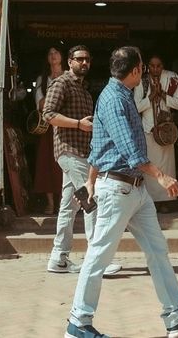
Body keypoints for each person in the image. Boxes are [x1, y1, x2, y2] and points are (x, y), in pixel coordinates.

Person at [65, 45, 178, 338]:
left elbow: (98, 146)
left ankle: (175, 316)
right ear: (134, 71)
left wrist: (91, 181)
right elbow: (129, 149)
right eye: (142, 67)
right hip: (119, 189)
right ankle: (78, 323)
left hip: (133, 189)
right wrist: (161, 175)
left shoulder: (117, 96)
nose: (144, 71)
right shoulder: (115, 100)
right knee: (98, 257)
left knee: (157, 250)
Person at [43, 44, 121, 276]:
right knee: (92, 199)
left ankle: (59, 258)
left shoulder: (84, 90)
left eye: (87, 59)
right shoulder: (62, 83)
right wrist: (78, 124)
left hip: (81, 153)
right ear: (69, 62)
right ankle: (98, 261)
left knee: (69, 207)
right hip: (69, 152)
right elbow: (48, 114)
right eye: (79, 59)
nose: (84, 63)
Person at [134, 55, 178, 212]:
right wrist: (151, 97)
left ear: (163, 66)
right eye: (152, 66)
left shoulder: (171, 78)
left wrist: (163, 95)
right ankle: (151, 202)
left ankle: (166, 201)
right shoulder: (142, 80)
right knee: (150, 167)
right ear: (148, 66)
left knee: (166, 168)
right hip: (148, 129)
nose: (155, 69)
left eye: (158, 66)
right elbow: (137, 107)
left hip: (165, 130)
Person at [33, 46, 65, 214]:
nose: (53, 56)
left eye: (56, 52)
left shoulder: (69, 77)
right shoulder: (42, 79)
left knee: (64, 164)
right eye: (50, 53)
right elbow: (41, 104)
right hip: (47, 128)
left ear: (62, 56)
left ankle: (63, 202)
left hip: (66, 128)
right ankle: (50, 202)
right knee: (46, 164)